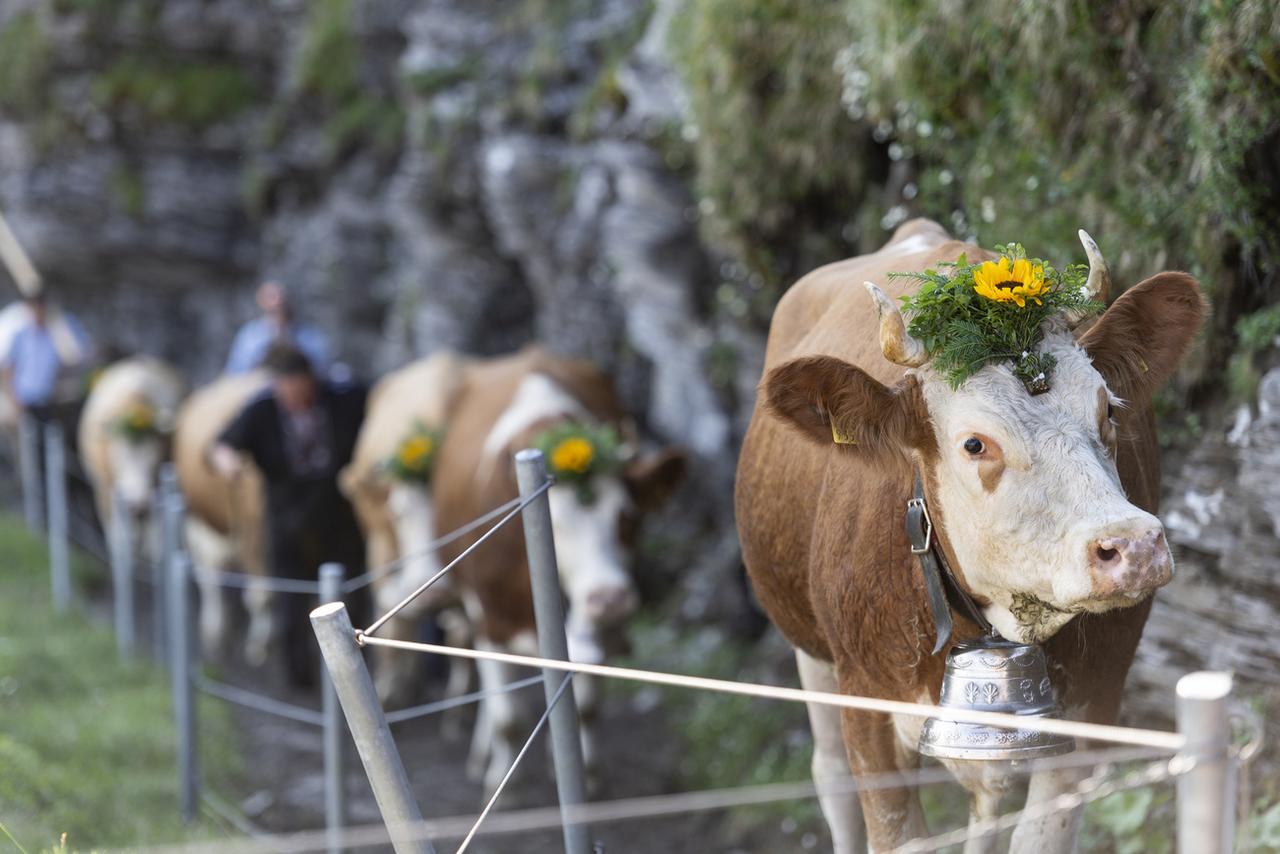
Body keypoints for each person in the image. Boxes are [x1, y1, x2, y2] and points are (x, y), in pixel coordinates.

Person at [210, 343, 367, 685]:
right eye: (287, 389)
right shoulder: (262, 411)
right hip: (285, 517)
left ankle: (353, 677)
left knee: (352, 594)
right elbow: (223, 445)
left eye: (301, 388)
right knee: (291, 605)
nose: (295, 397)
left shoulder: (343, 398)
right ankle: (300, 679)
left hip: (338, 514)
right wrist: (229, 464)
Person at [2, 291, 90, 424]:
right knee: (32, 440)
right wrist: (13, 398)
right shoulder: (21, 336)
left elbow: (74, 357)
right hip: (28, 400)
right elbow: (9, 367)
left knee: (54, 438)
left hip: (54, 399)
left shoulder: (59, 332)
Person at [224, 281, 330, 376]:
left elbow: (321, 367)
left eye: (281, 296)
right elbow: (236, 371)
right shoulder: (250, 335)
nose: (278, 301)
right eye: (271, 297)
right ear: (261, 302)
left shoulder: (307, 334)